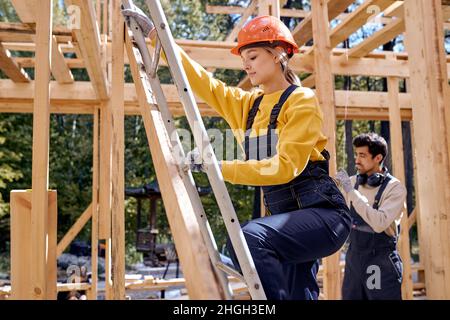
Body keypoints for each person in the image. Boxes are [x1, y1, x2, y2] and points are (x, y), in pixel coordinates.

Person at [122, 7, 351, 300]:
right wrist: (156, 36)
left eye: (253, 57)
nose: (248, 67)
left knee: (249, 238)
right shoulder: (248, 106)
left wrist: (219, 167)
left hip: (324, 217)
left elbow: (285, 168)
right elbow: (200, 81)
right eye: (244, 62)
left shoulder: (301, 101)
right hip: (287, 223)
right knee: (298, 294)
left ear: (279, 53)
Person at [335, 133, 406, 300]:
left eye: (362, 155)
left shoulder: (394, 188)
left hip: (380, 261)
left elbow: (379, 223)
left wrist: (351, 192)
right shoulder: (351, 182)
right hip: (354, 258)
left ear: (378, 157)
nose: (357, 160)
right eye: (356, 154)